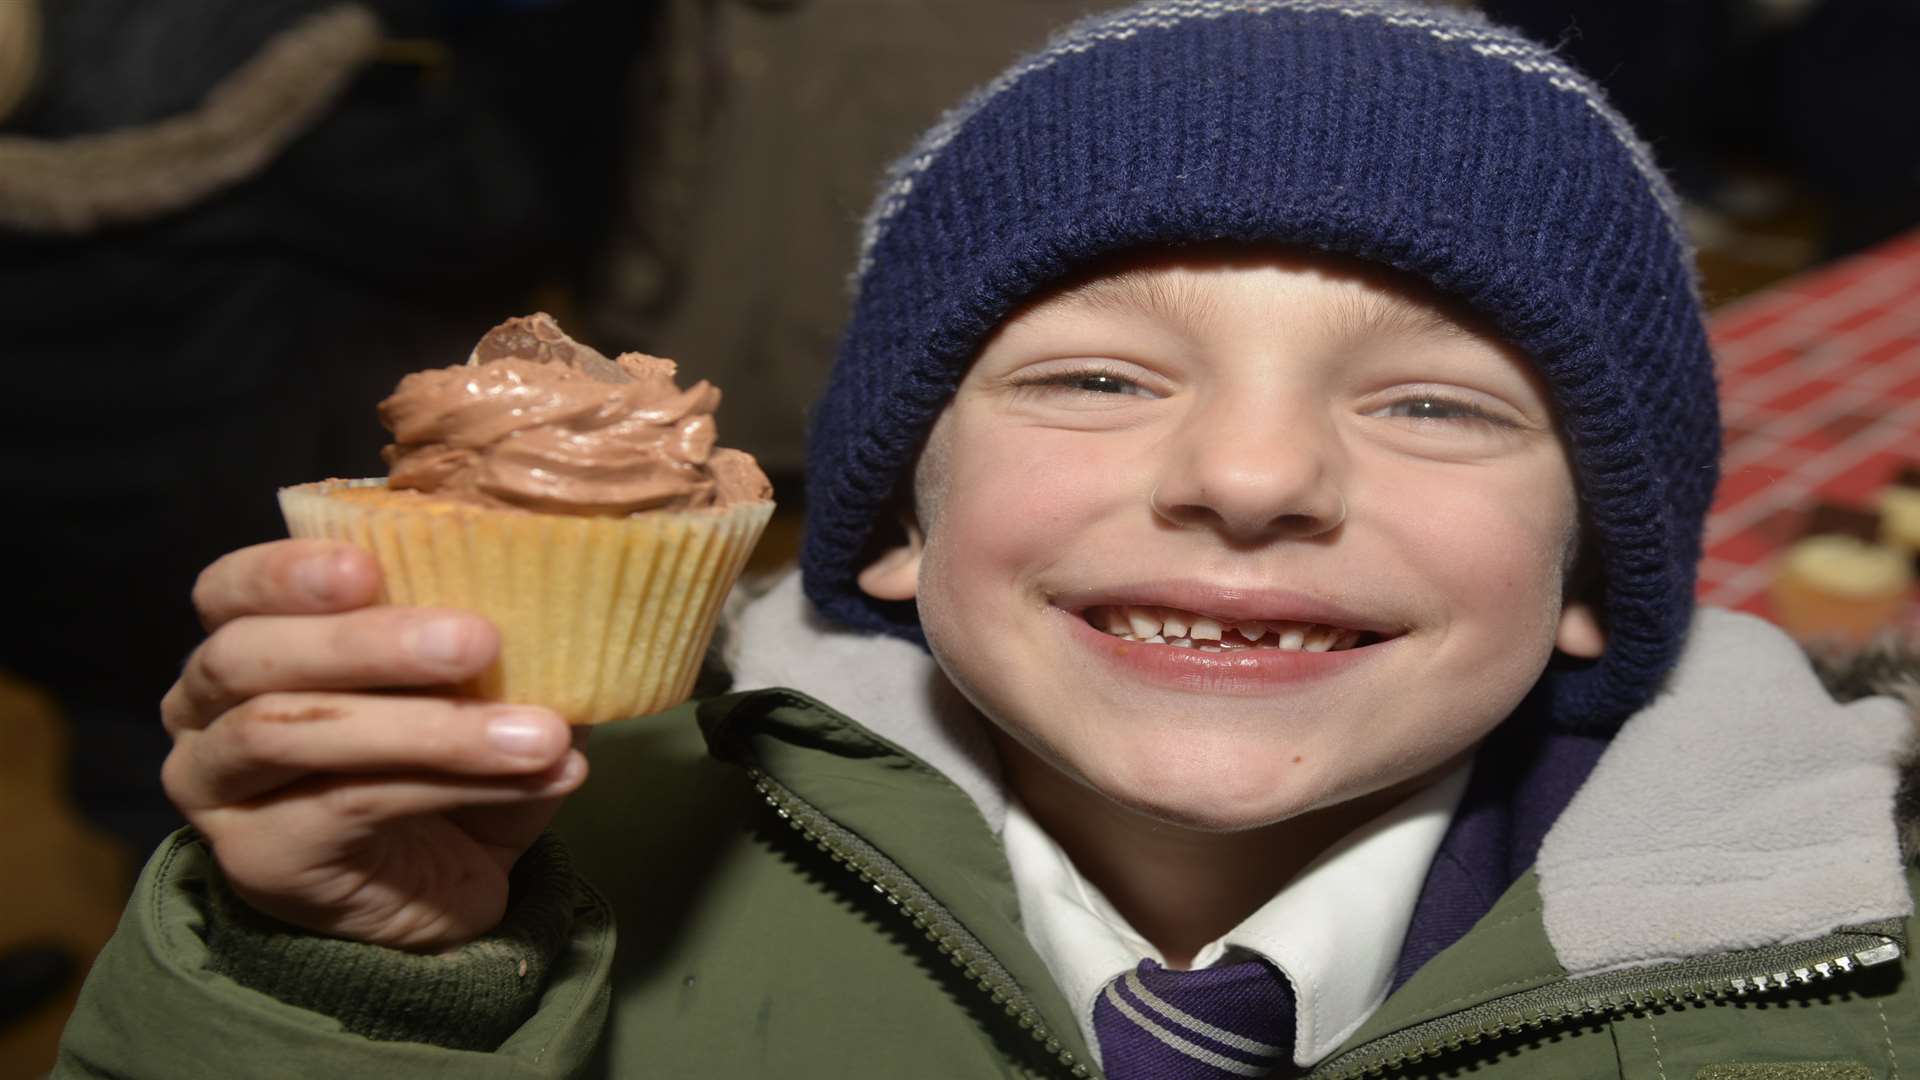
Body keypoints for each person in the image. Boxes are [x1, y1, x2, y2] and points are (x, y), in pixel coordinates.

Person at [56, 2, 1920, 1077]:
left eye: (1435, 403)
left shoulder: (1849, 979)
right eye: (1099, 381)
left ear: (1603, 577)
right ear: (888, 527)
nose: (1254, 479)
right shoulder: (570, 901)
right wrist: (337, 974)